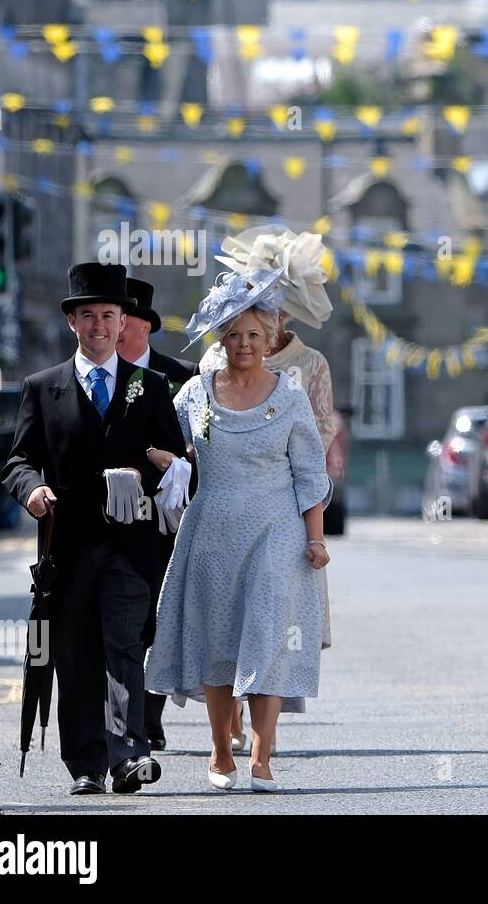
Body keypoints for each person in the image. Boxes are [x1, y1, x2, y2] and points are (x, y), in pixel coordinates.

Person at [1, 262, 188, 796]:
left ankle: (129, 754)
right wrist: (31, 489)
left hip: (131, 547)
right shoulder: (42, 388)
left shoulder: (149, 387)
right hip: (68, 547)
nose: (100, 326)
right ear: (73, 323)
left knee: (124, 646)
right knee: (75, 654)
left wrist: (153, 468)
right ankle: (86, 763)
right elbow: (18, 460)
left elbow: (176, 463)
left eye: (109, 315)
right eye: (89, 316)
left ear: (123, 320)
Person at [144, 263, 331, 792]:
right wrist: (160, 458)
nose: (244, 343)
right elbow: (164, 442)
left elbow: (310, 474)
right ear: (220, 341)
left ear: (269, 339)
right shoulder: (195, 395)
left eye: (253, 335)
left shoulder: (290, 397)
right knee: (216, 643)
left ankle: (263, 758)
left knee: (267, 638)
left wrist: (314, 540)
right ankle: (221, 751)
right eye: (234, 335)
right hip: (211, 532)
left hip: (277, 532)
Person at [198, 228, 336, 752]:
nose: (258, 327)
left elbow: (320, 433)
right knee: (223, 613)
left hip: (285, 503)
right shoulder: (215, 363)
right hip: (224, 508)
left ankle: (262, 735)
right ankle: (226, 724)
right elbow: (198, 426)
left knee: (271, 613)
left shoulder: (310, 365)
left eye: (271, 310)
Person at [117, 277, 199, 752]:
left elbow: (203, 447)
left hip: (168, 518)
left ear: (144, 327)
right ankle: (125, 714)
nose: (113, 328)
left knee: (159, 613)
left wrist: (184, 458)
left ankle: (150, 711)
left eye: (122, 319)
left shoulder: (182, 375)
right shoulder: (96, 375)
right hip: (110, 516)